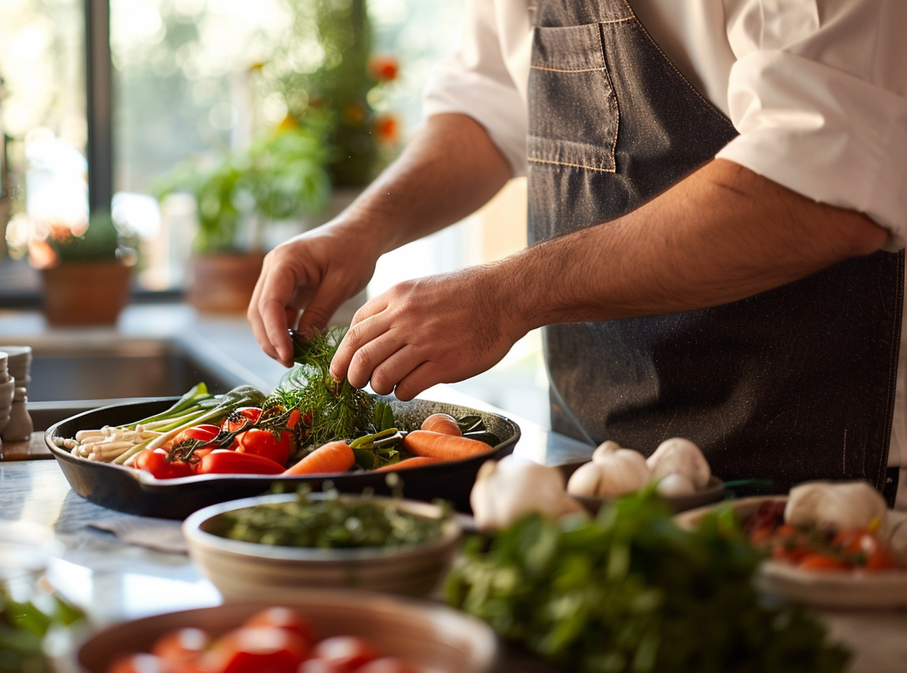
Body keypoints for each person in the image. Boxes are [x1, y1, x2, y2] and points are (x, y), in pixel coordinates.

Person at [247, 0, 907, 504]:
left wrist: (503, 297)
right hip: (601, 461)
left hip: (826, 479)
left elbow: (822, 192)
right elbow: (484, 106)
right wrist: (359, 229)